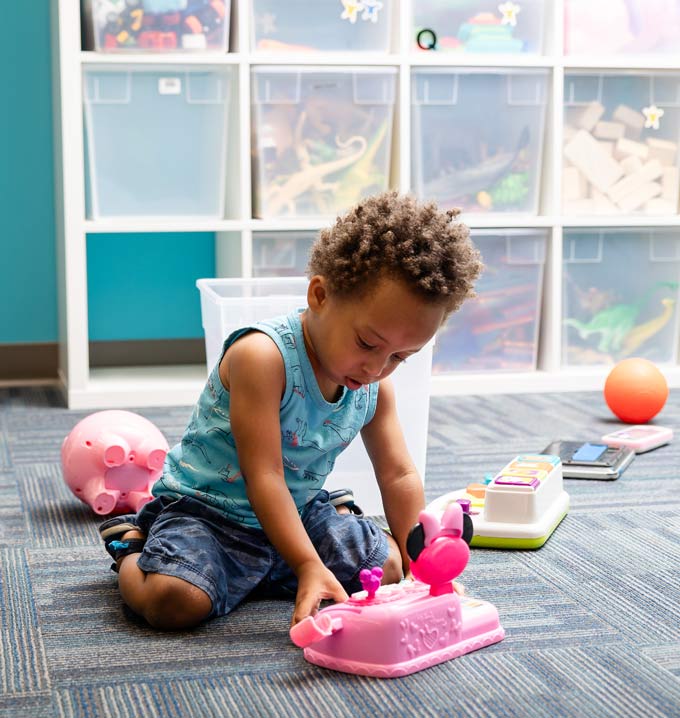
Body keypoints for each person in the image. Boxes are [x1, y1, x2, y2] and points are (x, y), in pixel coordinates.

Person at [99, 191, 483, 631]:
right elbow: (265, 475)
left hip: (298, 510)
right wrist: (306, 564)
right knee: (175, 601)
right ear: (320, 295)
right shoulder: (261, 358)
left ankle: (300, 544)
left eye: (400, 357)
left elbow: (398, 475)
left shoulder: (377, 385)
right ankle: (133, 547)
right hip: (209, 514)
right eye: (367, 343)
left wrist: (423, 570)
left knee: (390, 567)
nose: (377, 368)